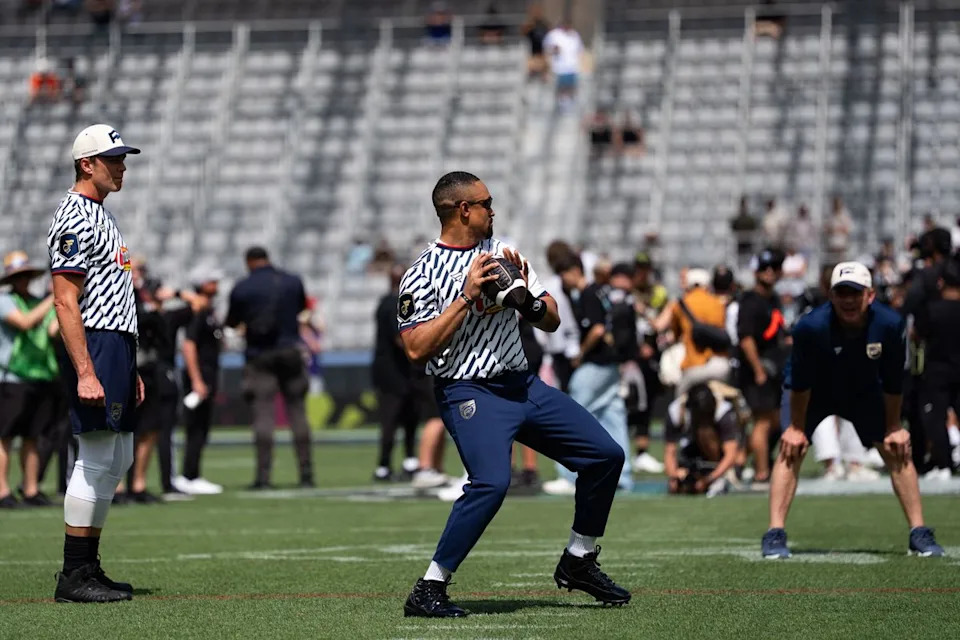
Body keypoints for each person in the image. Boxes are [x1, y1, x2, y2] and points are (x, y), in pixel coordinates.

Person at [400, 172, 630, 617]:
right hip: (468, 389)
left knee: (605, 456)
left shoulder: (505, 252)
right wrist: (466, 299)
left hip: (522, 385)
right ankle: (428, 589)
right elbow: (415, 347)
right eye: (486, 202)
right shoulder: (422, 271)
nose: (493, 209)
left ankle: (579, 560)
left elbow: (553, 319)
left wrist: (528, 304)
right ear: (463, 209)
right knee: (491, 482)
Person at [762, 262, 945, 559]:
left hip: (863, 391)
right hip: (815, 393)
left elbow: (893, 381)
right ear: (831, 296)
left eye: (855, 293)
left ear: (870, 295)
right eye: (842, 292)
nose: (848, 300)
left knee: (897, 447)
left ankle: (919, 532)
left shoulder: (890, 324)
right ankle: (775, 533)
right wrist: (795, 428)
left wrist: (893, 426)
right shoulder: (811, 327)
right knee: (790, 447)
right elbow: (799, 382)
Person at [48, 123, 144, 602]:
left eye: (122, 158)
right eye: (113, 158)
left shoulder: (99, 214)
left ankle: (88, 565)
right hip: (97, 343)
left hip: (117, 344)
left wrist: (132, 366)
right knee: (98, 454)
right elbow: (66, 301)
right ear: (87, 163)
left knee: (119, 454)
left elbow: (113, 293)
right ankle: (74, 574)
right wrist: (87, 369)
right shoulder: (75, 216)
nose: (122, 166)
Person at [543, 257, 634, 495]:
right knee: (613, 415)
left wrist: (581, 354)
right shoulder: (600, 291)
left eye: (564, 273)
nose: (562, 279)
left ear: (574, 271)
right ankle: (622, 476)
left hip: (596, 363)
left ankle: (568, 476)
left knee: (571, 415)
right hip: (611, 363)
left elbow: (598, 328)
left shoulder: (587, 293)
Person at [227, 247, 314, 490]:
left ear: (249, 262)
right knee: (297, 412)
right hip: (290, 351)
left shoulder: (243, 287)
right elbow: (300, 309)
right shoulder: (292, 281)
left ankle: (263, 476)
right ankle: (306, 473)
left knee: (263, 414)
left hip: (259, 355)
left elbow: (232, 321)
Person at [0, 252, 60, 508]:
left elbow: (52, 331)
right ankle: (2, 491)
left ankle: (31, 488)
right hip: (12, 377)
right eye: (19, 276)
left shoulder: (39, 301)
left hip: (40, 375)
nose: (23, 280)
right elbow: (24, 323)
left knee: (33, 436)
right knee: (4, 436)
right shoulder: (5, 301)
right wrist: (53, 298)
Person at [372, 265, 436, 482]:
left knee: (409, 416)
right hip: (395, 371)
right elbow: (402, 339)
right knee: (393, 418)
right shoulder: (395, 303)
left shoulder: (386, 301)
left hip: (401, 371)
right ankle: (385, 463)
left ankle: (405, 460)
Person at [737, 249, 788, 485]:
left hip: (773, 369)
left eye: (774, 268)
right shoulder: (750, 300)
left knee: (775, 421)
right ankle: (762, 473)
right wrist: (757, 369)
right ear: (756, 272)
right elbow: (745, 338)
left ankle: (738, 460)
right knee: (763, 421)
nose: (770, 272)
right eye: (765, 268)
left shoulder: (773, 299)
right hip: (757, 371)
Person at [174, 267, 225, 495]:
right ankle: (189, 474)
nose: (216, 284)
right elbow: (189, 344)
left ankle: (193, 473)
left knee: (202, 426)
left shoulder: (209, 310)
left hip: (208, 372)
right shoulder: (198, 310)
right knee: (195, 426)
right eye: (212, 280)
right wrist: (196, 379)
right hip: (200, 374)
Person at [913, 257, 960, 478]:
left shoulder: (931, 309)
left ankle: (944, 464)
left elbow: (916, 335)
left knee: (934, 418)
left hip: (937, 370)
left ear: (941, 282)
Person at [653, 268, 730, 395]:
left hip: (695, 364)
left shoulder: (680, 303)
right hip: (721, 364)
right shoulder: (718, 302)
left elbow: (671, 331)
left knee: (681, 401)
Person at [664, 381, 746, 495]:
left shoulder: (724, 412)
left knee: (705, 432)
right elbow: (670, 451)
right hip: (690, 448)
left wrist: (709, 479)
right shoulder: (676, 411)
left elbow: (731, 454)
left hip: (718, 451)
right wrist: (674, 476)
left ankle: (723, 475)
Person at [543, 20, 583, 111]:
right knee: (560, 88)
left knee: (571, 87)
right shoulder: (554, 35)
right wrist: (554, 51)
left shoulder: (574, 34)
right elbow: (546, 49)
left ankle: (569, 103)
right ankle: (560, 103)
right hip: (558, 68)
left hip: (572, 67)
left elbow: (580, 50)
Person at [824, 196, 854, 264]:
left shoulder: (845, 215)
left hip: (842, 244)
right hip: (831, 244)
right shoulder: (830, 215)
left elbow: (848, 229)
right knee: (831, 263)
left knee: (841, 263)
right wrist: (832, 230)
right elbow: (825, 229)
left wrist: (838, 229)